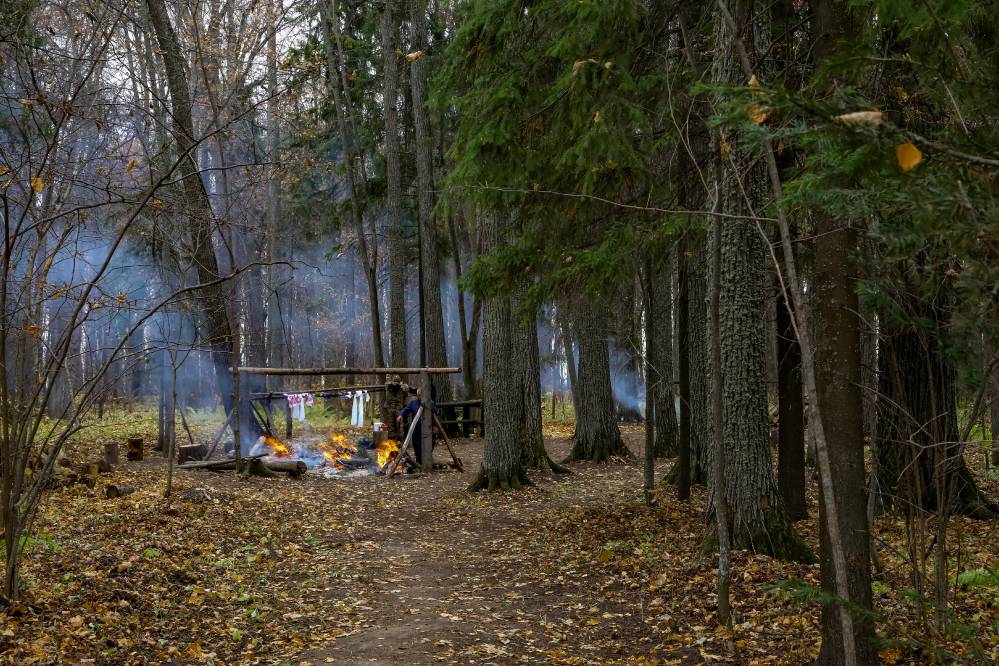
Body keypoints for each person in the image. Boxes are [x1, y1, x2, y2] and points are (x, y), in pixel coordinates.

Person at [396, 388, 438, 471]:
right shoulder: (413, 403)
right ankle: (419, 464)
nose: (420, 397)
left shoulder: (431, 403)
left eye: (421, 395)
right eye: (418, 395)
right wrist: (400, 415)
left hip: (428, 429)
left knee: (430, 445)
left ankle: (427, 463)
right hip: (417, 429)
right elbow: (405, 410)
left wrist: (435, 427)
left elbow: (435, 415)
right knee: (417, 447)